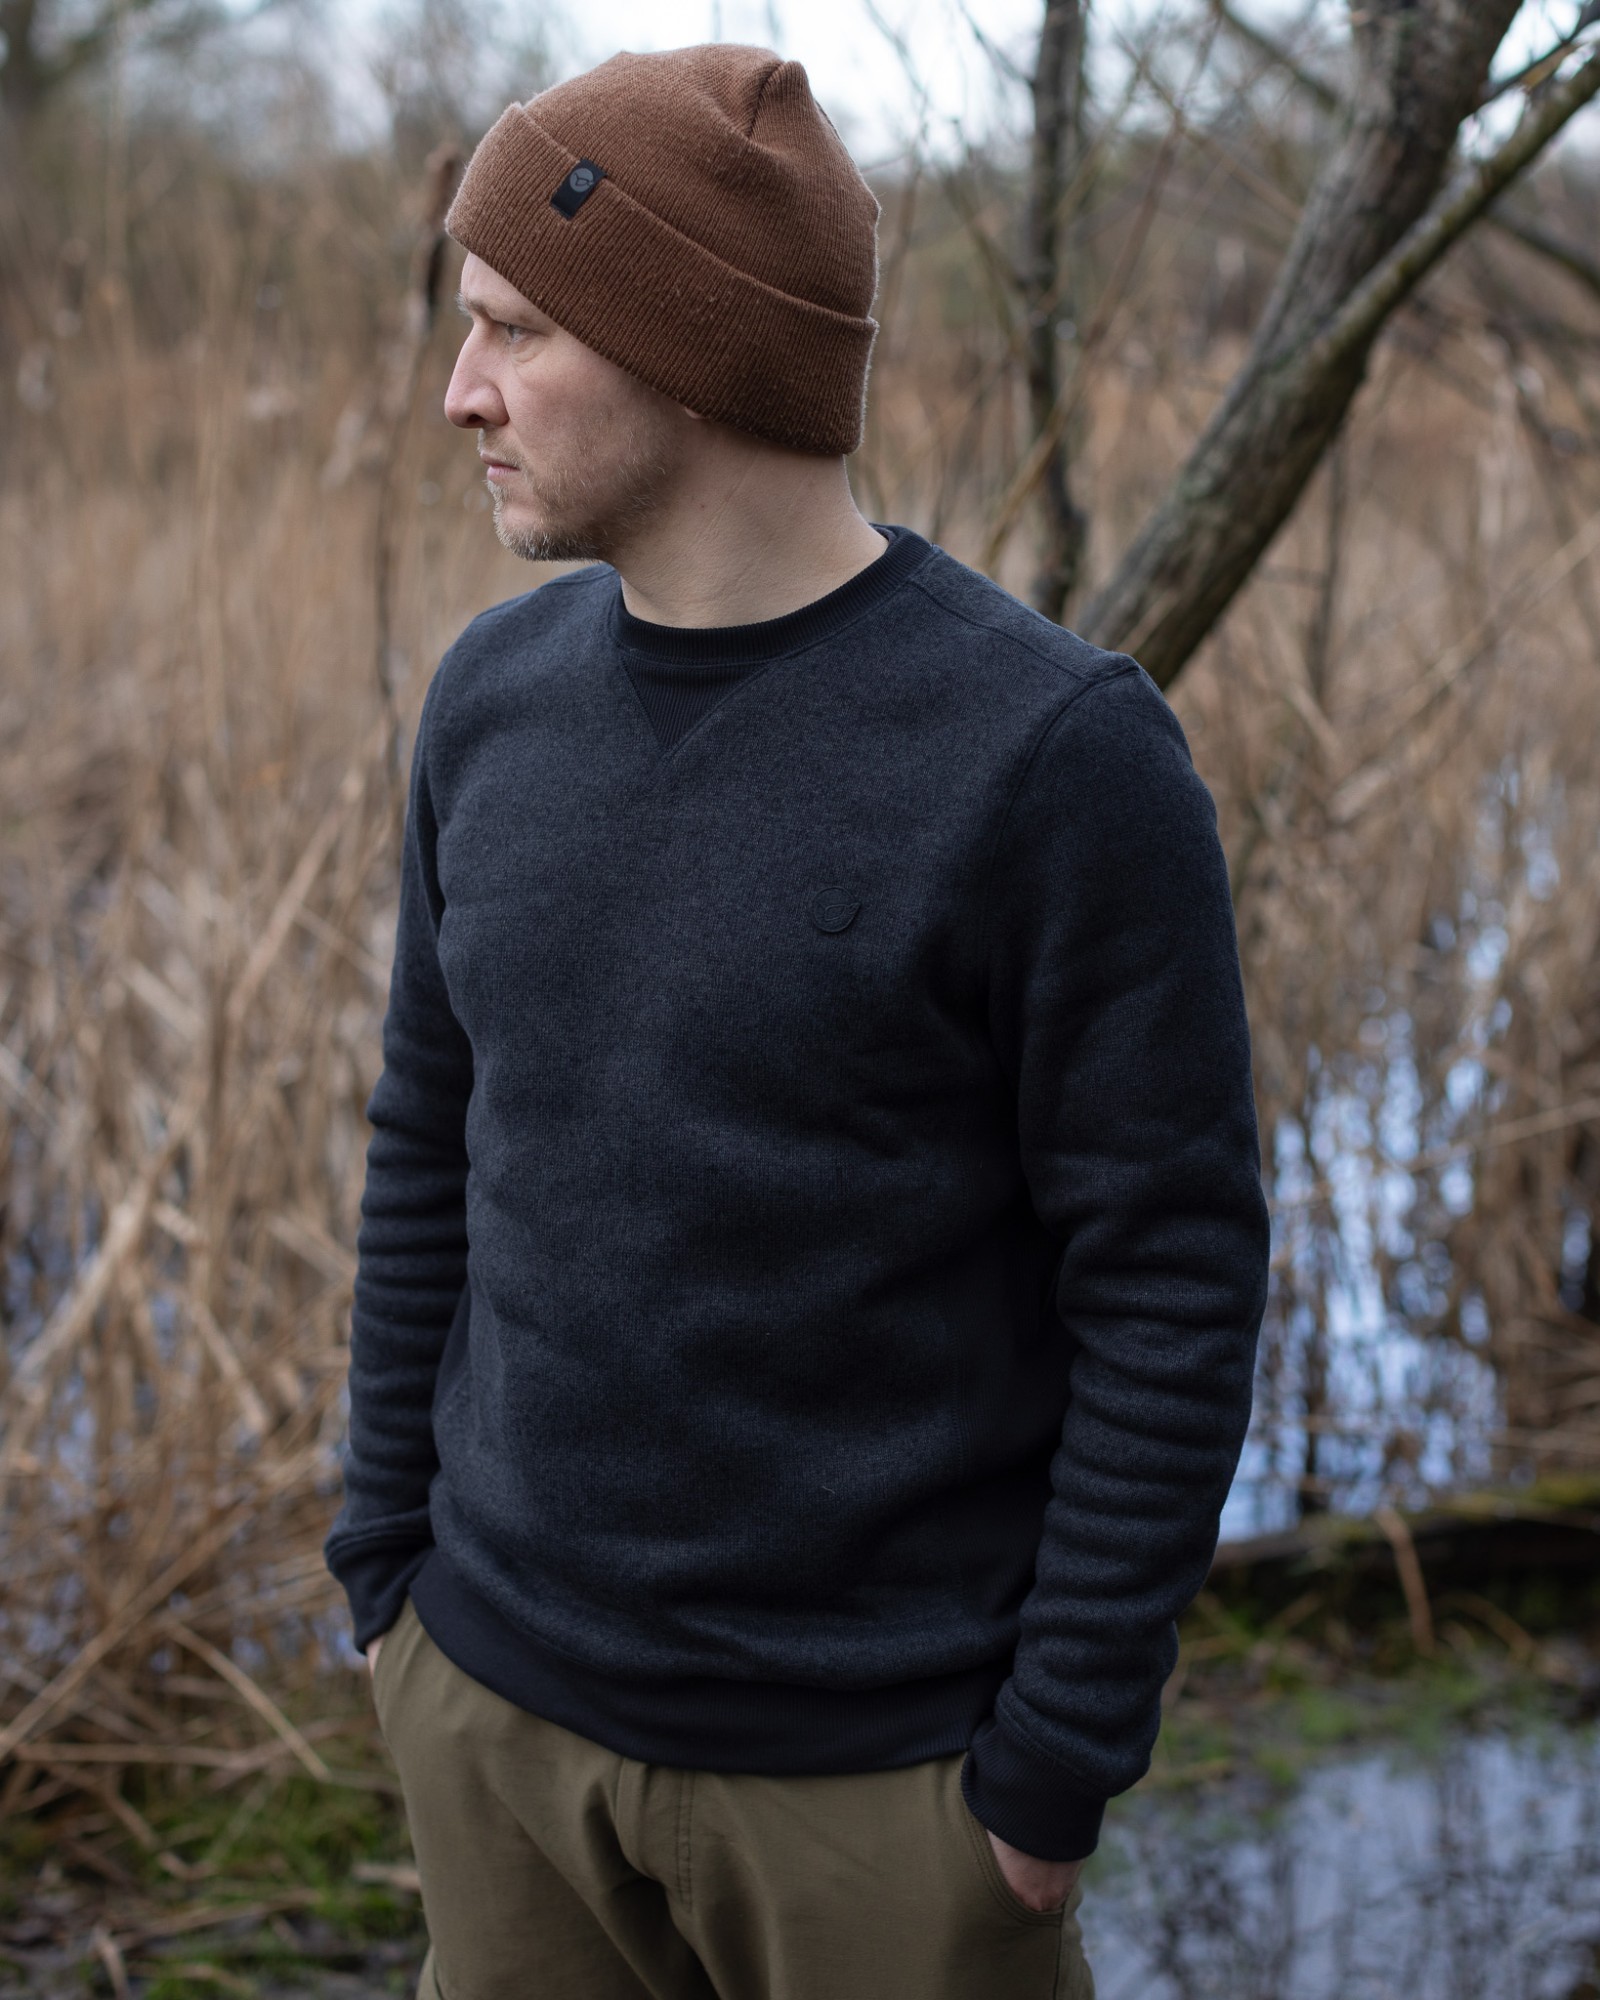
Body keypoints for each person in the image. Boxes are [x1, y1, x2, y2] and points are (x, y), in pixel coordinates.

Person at [324, 40, 1270, 2000]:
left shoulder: (1051, 758)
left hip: (880, 1795)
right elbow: (429, 1136)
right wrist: (385, 1572)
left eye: (513, 328)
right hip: (495, 1724)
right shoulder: (491, 700)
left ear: (687, 346)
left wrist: (1051, 1763)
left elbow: (1168, 1282)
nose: (459, 390)